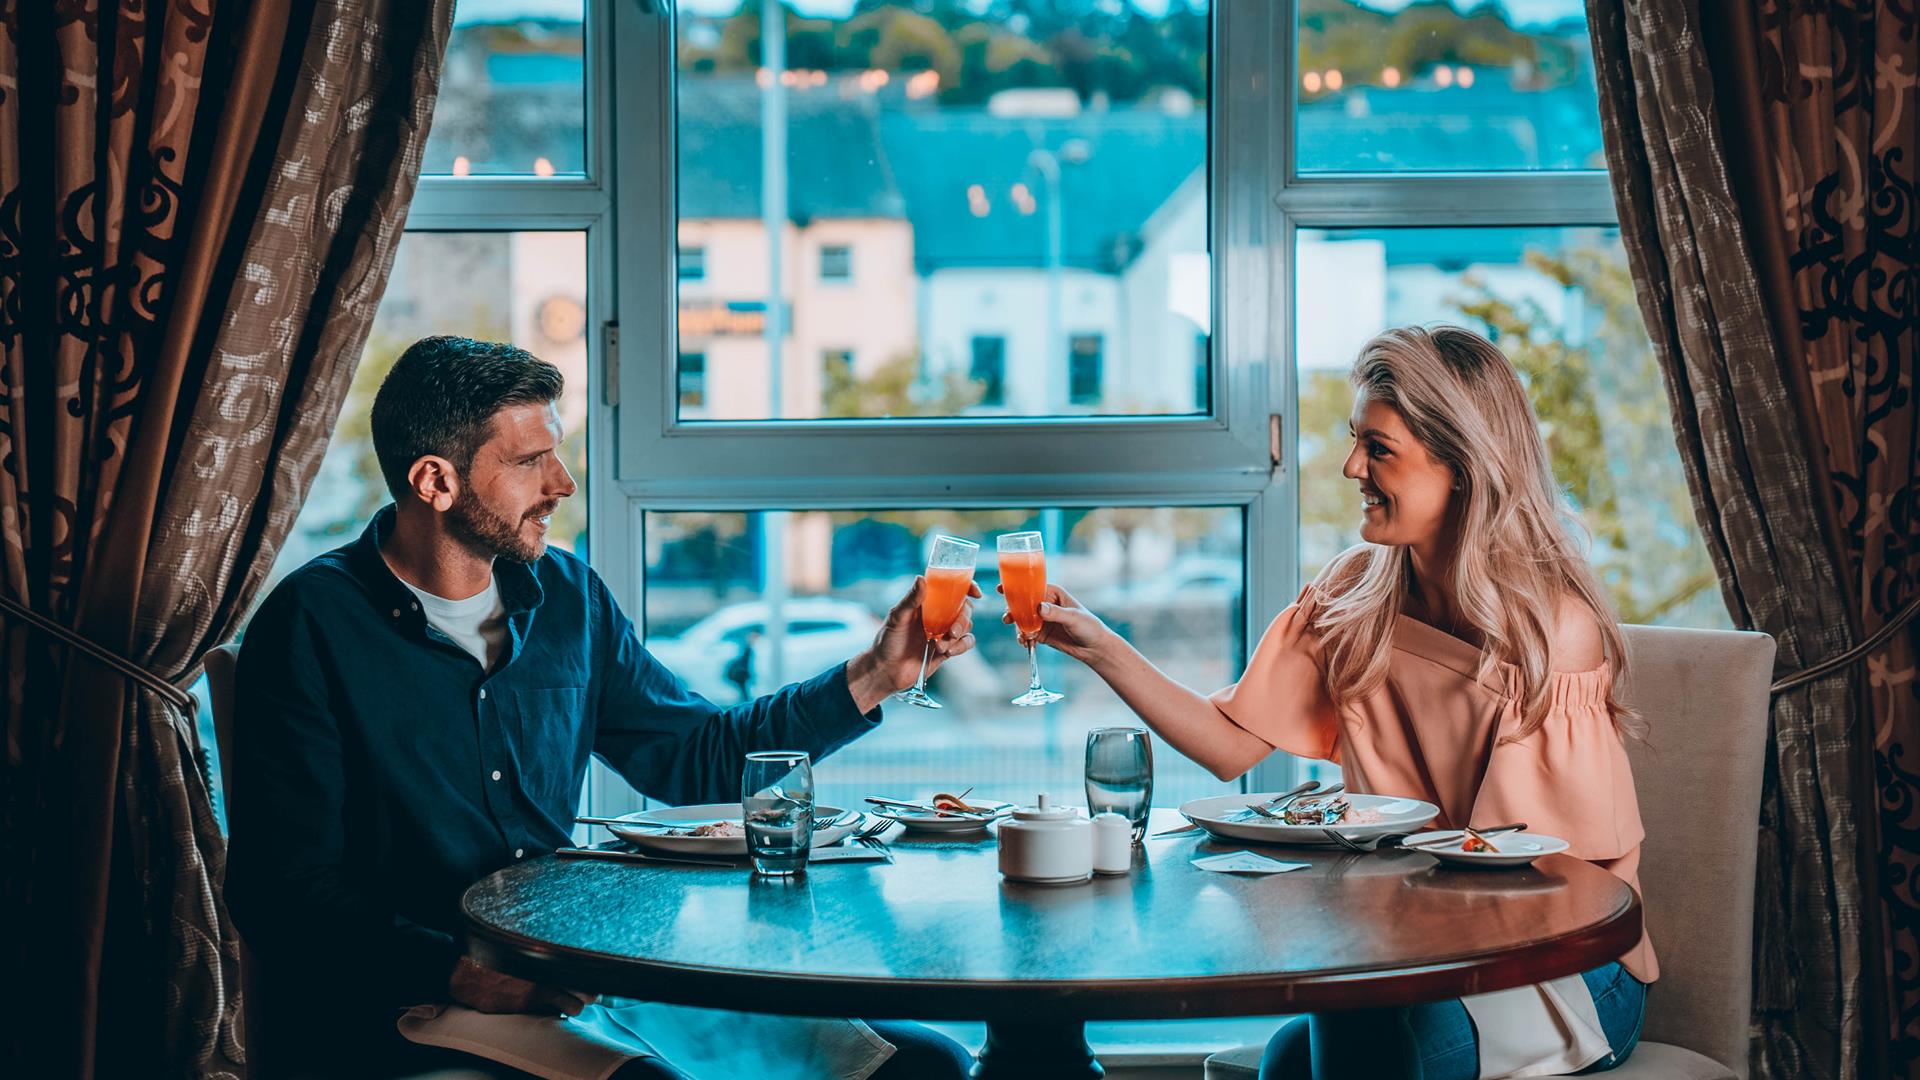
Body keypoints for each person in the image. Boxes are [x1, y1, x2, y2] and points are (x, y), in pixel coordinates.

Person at [227, 336, 979, 1080]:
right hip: (419, 1000)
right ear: (435, 481)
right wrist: (464, 974)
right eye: (529, 462)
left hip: (585, 971)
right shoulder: (309, 626)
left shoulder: (569, 599)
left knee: (924, 1063)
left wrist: (879, 674)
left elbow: (696, 758)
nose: (562, 483)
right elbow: (283, 891)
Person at [1013, 326, 1652, 1079]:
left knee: (1344, 1049)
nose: (1352, 466)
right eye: (1356, 441)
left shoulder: (1552, 631)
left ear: (1463, 468)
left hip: (1558, 963)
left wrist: (1350, 907)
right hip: (1402, 945)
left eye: (1379, 448)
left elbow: (1527, 877)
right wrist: (1097, 644)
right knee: (1304, 1054)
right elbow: (1230, 743)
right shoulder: (1357, 591)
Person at [725, 629, 759, 702]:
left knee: (744, 692)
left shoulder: (747, 649)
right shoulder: (746, 649)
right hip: (740, 673)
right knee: (744, 692)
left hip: (741, 673)